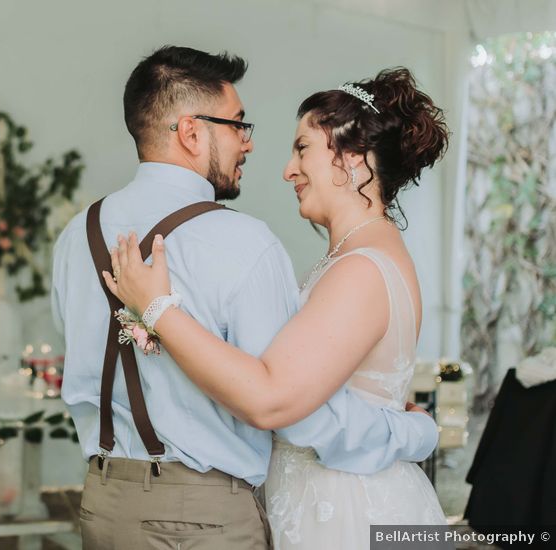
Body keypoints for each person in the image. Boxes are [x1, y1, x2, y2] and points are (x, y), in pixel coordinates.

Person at [51, 45, 439, 550]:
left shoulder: (77, 236)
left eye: (301, 149)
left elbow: (280, 399)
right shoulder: (245, 244)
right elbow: (280, 402)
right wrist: (414, 433)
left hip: (104, 503)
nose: (275, 163)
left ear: (354, 161)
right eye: (239, 125)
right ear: (192, 132)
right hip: (207, 514)